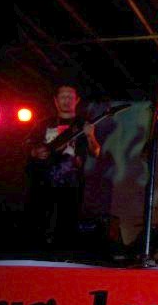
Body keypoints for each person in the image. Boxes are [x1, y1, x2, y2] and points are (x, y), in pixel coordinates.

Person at [24, 83, 101, 250]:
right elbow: (28, 145)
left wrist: (91, 136)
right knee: (39, 224)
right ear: (55, 100)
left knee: (67, 225)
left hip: (71, 183)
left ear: (77, 100)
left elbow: (95, 152)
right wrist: (34, 152)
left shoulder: (83, 124)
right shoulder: (43, 123)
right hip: (43, 182)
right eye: (63, 97)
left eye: (70, 97)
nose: (66, 100)